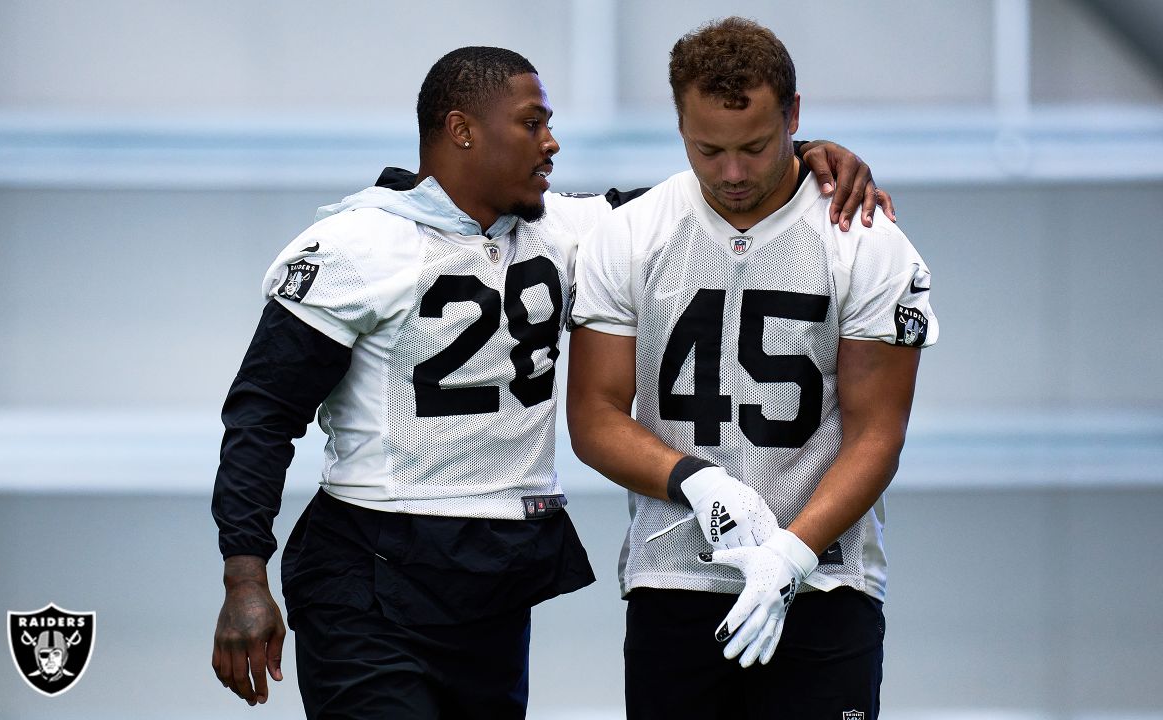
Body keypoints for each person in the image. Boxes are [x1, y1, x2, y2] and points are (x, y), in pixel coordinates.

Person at [210, 45, 891, 719]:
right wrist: (245, 574)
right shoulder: (353, 245)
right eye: (531, 123)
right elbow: (262, 415)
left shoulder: (569, 229)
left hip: (494, 576)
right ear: (462, 129)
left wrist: (810, 156)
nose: (551, 142)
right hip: (369, 565)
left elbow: (717, 191)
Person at [567, 17, 938, 720]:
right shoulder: (631, 232)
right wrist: (697, 481)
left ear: (795, 117)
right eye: (708, 149)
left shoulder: (866, 241)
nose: (732, 173)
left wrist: (791, 555)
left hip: (825, 583)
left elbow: (877, 435)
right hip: (674, 576)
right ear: (678, 124)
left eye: (756, 146)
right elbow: (592, 416)